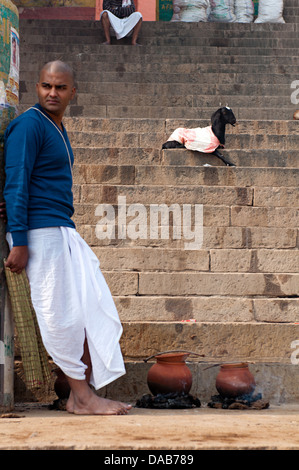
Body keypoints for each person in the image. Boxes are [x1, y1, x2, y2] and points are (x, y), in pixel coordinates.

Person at [4, 60, 132, 416]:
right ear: (37, 87)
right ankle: (81, 396)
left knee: (88, 309)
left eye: (60, 88)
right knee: (59, 314)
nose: (52, 93)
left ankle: (82, 392)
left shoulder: (57, 127)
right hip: (40, 232)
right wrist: (20, 240)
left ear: (72, 92)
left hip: (62, 230)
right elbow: (16, 181)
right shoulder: (29, 125)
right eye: (46, 86)